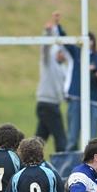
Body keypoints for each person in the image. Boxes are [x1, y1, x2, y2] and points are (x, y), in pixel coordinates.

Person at [57, 23, 97, 151]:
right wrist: (58, 27)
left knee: (93, 141)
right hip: (76, 98)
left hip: (93, 101)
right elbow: (65, 42)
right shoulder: (76, 53)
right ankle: (70, 167)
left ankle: (92, 168)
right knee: (72, 138)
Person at [35, 14, 68, 152]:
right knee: (61, 140)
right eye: (61, 51)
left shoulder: (64, 68)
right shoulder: (48, 62)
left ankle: (25, 163)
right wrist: (49, 32)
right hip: (47, 104)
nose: (63, 54)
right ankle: (64, 168)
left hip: (53, 104)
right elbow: (46, 49)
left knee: (39, 140)